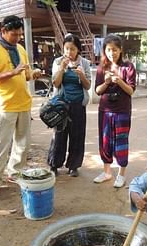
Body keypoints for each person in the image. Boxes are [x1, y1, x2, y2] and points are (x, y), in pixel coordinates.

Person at [0, 15, 42, 198]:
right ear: (3, 31)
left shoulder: (20, 49)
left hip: (24, 102)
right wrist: (12, 72)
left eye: (19, 34)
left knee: (23, 143)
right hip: (4, 105)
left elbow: (25, 74)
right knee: (0, 144)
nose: (17, 38)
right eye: (14, 35)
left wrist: (33, 74)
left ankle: (14, 172)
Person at [94, 34, 136, 188]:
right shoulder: (101, 68)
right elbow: (97, 91)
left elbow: (131, 91)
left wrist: (119, 80)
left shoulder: (128, 67)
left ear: (121, 50)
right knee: (105, 142)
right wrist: (106, 82)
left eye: (115, 50)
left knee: (121, 142)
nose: (112, 53)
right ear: (105, 50)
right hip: (105, 110)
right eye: (109, 50)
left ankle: (121, 175)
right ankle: (107, 172)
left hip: (122, 111)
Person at [47, 34, 91, 177]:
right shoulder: (58, 61)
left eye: (72, 49)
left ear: (78, 50)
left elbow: (88, 85)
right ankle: (54, 164)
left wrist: (81, 75)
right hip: (61, 104)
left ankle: (74, 165)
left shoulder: (84, 63)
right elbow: (56, 83)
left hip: (78, 104)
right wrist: (61, 68)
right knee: (59, 135)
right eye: (66, 49)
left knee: (77, 135)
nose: (69, 52)